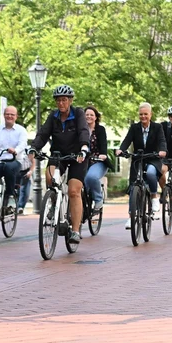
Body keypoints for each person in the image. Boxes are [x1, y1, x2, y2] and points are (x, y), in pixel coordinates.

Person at [31, 85, 90, 244]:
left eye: (64, 100)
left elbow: (84, 131)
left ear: (70, 100)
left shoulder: (78, 114)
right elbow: (43, 134)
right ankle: (53, 203)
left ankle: (76, 231)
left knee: (73, 191)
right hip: (59, 155)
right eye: (58, 100)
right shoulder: (53, 116)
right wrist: (34, 148)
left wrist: (84, 148)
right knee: (49, 177)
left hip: (77, 156)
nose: (61, 103)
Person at [117, 102, 167, 227]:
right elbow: (127, 140)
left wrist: (162, 150)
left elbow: (161, 140)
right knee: (133, 186)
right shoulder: (134, 127)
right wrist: (121, 149)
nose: (143, 117)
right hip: (138, 159)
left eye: (146, 114)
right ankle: (131, 217)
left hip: (153, 158)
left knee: (151, 173)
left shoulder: (157, 127)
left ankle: (154, 197)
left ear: (151, 114)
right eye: (141, 114)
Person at [83, 104, 109, 213]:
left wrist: (103, 154)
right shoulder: (80, 129)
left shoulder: (100, 129)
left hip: (98, 161)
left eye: (91, 115)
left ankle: (98, 199)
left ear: (96, 117)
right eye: (87, 115)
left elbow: (103, 144)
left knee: (91, 177)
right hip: (83, 161)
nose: (89, 117)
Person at [16, 148, 33, 215]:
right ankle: (19, 207)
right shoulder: (16, 149)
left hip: (26, 172)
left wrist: (30, 171)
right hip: (17, 172)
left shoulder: (28, 150)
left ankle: (21, 207)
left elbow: (33, 162)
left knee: (26, 192)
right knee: (18, 191)